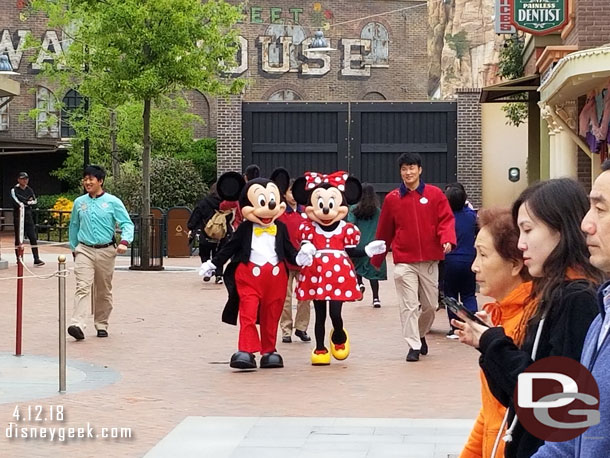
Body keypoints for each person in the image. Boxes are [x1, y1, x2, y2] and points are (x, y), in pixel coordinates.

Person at [453, 178, 603, 458]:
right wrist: (488, 343)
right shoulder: (552, 294)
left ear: (560, 229)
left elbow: (555, 404)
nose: (521, 244)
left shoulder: (578, 299)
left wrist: (493, 342)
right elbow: (514, 397)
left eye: (528, 230)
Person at [531, 161, 610, 457]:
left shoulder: (578, 301)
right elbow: (571, 435)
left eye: (600, 210)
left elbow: (541, 403)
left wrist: (493, 346)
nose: (586, 224)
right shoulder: (602, 314)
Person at [459, 208, 532, 458]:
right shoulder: (502, 318)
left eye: (483, 255)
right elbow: (491, 409)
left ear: (515, 264)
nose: (474, 267)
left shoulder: (531, 324)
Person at [371, 152, 456, 362]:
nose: (408, 172)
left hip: (429, 259)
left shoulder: (435, 195)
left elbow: (446, 220)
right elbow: (384, 231)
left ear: (420, 170)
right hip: (404, 261)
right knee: (408, 305)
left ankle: (419, 333)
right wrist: (376, 260)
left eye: (412, 168)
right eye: (404, 169)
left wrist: (447, 239)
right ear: (400, 172)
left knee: (430, 306)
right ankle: (413, 345)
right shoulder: (392, 199)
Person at [67, 165, 134, 340]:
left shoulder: (113, 202)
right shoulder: (79, 203)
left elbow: (127, 224)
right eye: (85, 179)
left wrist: (125, 242)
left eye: (91, 179)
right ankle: (77, 324)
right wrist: (74, 248)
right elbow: (74, 226)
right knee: (82, 286)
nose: (87, 182)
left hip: (106, 251)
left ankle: (101, 323)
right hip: (84, 250)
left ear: (100, 181)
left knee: (103, 290)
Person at [278, 178, 311, 343]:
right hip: (285, 260)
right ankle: (285, 329)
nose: (293, 195)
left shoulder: (306, 212)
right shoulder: (281, 213)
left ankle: (301, 327)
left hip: (303, 260)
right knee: (286, 297)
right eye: (290, 191)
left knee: (305, 295)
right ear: (284, 193)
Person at [444, 185, 477, 338]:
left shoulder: (445, 218)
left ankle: (454, 327)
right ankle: (474, 324)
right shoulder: (471, 216)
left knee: (451, 295)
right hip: (469, 258)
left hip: (450, 260)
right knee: (469, 294)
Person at [347, 183, 387, 308]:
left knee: (356, 266)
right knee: (373, 272)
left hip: (359, 244)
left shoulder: (354, 209)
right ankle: (376, 298)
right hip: (373, 244)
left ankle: (359, 284)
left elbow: (350, 224)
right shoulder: (378, 211)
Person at [187, 183, 231, 284]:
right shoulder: (225, 203)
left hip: (206, 234)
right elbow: (230, 217)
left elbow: (195, 217)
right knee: (219, 254)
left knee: (204, 253)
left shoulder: (204, 203)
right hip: (222, 235)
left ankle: (208, 271)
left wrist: (191, 227)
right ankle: (219, 275)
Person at [10, 172, 45, 266]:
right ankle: (19, 258)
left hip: (28, 217)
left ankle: (36, 259)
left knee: (33, 237)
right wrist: (26, 201)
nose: (25, 180)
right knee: (18, 239)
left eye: (26, 179)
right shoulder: (14, 190)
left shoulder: (29, 189)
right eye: (22, 179)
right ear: (18, 180)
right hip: (18, 217)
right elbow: (17, 202)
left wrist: (26, 202)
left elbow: (34, 201)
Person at [220, 164, 260, 230]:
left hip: (240, 227)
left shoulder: (240, 191)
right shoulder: (262, 191)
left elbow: (223, 206)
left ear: (245, 177)